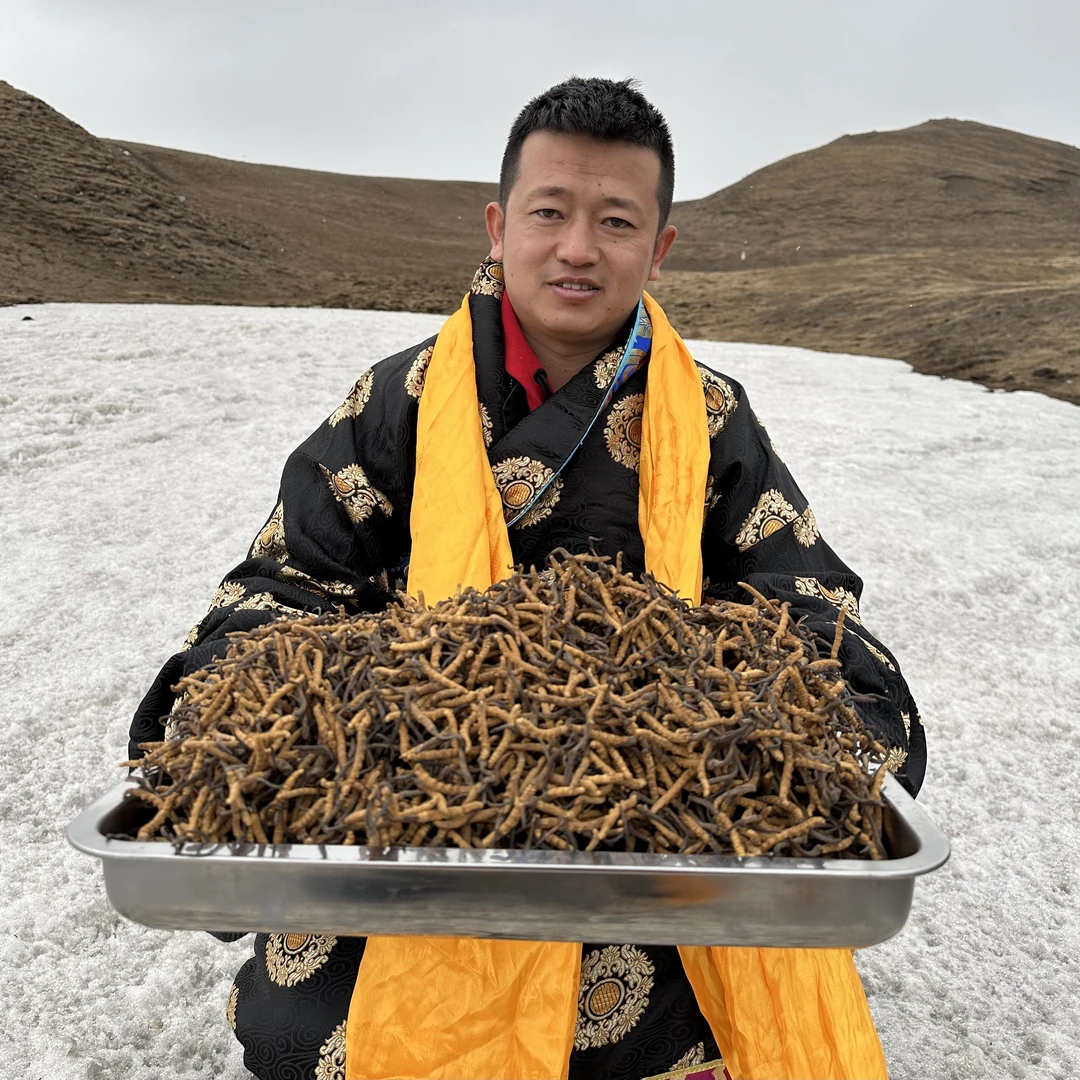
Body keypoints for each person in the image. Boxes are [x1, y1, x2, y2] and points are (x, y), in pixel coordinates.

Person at [129, 77, 925, 1080]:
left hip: (650, 835)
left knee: (682, 1018)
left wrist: (810, 720)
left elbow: (804, 604)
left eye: (616, 221)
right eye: (551, 212)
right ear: (501, 226)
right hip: (413, 812)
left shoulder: (712, 416)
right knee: (301, 1033)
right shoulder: (394, 402)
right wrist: (226, 713)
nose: (578, 247)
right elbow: (285, 584)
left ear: (659, 248)